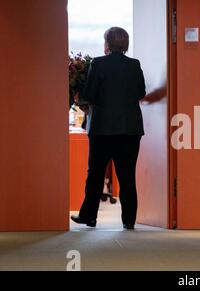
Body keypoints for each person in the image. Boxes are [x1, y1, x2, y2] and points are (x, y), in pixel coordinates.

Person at [71, 27, 146, 230]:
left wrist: (80, 98)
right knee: (127, 175)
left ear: (107, 44)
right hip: (130, 129)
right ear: (125, 43)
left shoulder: (98, 63)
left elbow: (91, 94)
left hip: (102, 128)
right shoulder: (134, 64)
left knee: (95, 174)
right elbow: (141, 91)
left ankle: (90, 216)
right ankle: (129, 220)